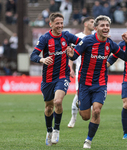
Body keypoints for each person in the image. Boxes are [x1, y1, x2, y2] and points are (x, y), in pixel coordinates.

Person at [66, 15, 127, 149]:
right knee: (85, 116)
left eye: (107, 25)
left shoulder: (110, 44)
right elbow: (75, 55)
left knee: (96, 111)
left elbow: (126, 57)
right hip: (84, 84)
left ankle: (88, 140)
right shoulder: (87, 41)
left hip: (100, 84)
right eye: (102, 25)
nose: (105, 28)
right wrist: (70, 54)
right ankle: (80, 104)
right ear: (96, 28)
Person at [30, 12, 81, 146]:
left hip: (62, 75)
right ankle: (49, 131)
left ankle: (57, 129)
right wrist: (42, 59)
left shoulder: (67, 36)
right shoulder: (45, 38)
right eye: (57, 23)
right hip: (47, 78)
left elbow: (82, 43)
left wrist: (74, 53)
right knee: (48, 107)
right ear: (51, 24)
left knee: (58, 101)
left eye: (61, 23)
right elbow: (33, 55)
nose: (60, 26)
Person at [68, 16, 95, 128]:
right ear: (85, 24)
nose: (94, 24)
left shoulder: (96, 37)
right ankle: (73, 118)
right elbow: (71, 55)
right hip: (82, 72)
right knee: (79, 95)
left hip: (96, 72)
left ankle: (94, 119)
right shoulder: (78, 37)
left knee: (94, 96)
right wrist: (70, 68)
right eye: (92, 22)